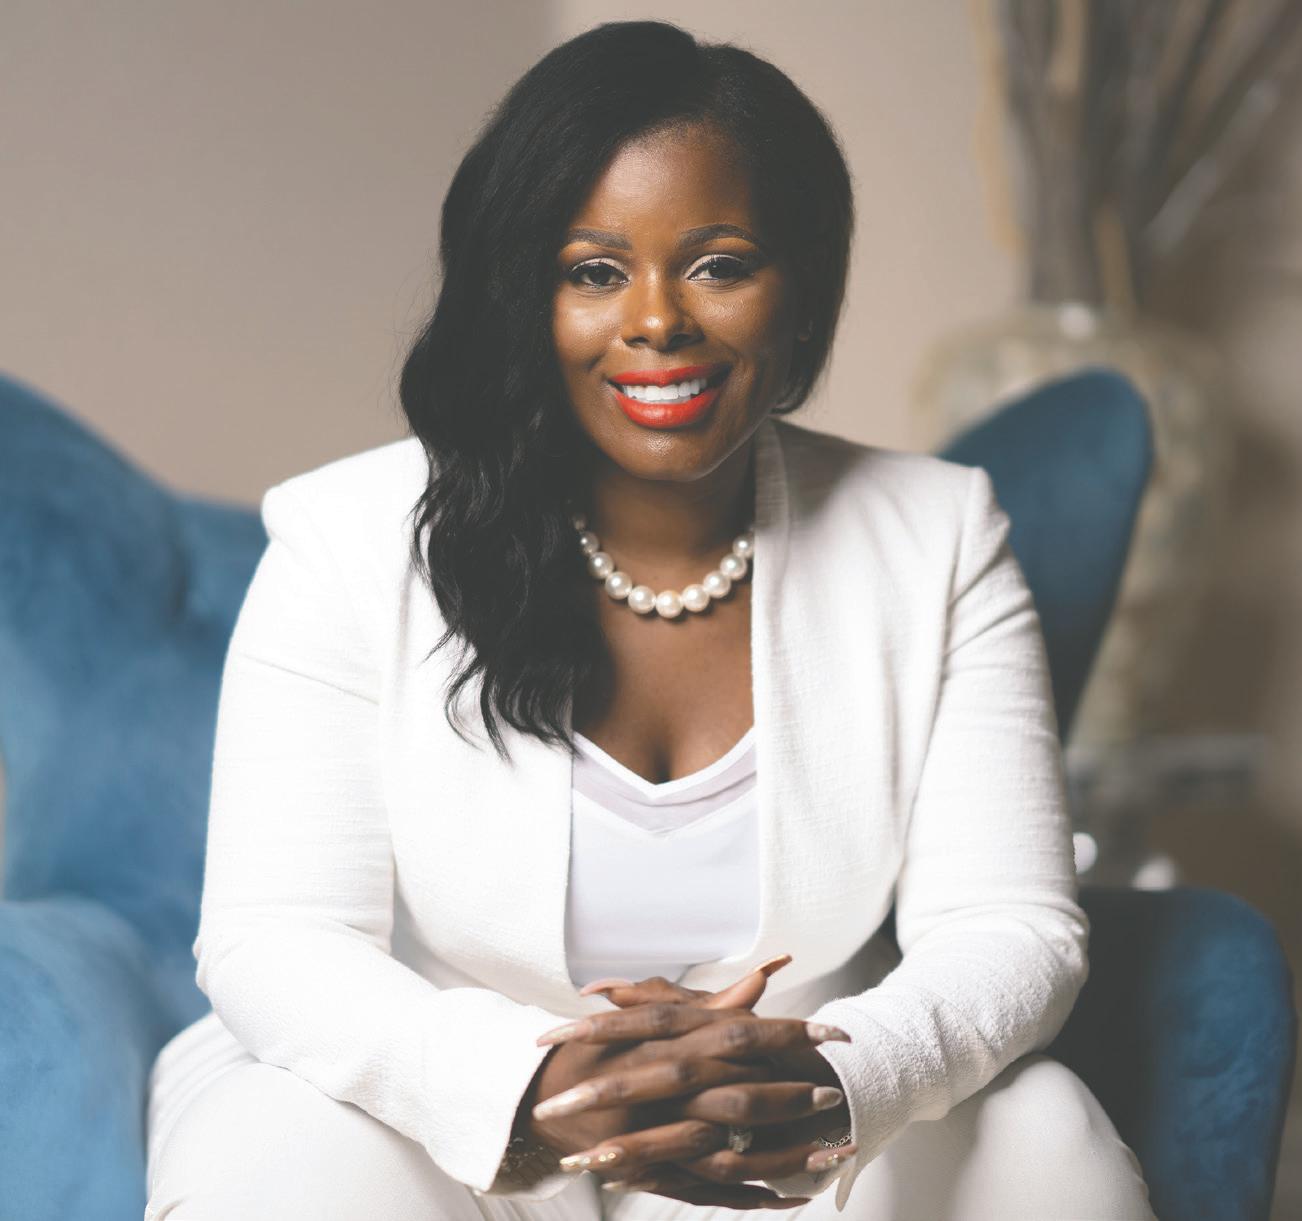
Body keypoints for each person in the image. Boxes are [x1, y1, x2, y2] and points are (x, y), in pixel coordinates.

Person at [144, 18, 1158, 1221]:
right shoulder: (347, 539)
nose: (658, 319)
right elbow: (277, 940)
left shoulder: (938, 536)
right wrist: (533, 1090)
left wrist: (837, 1077)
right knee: (280, 1143)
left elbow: (1010, 925)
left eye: (720, 265)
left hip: (796, 1116)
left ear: (801, 290)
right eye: (593, 272)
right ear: (524, 297)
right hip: (442, 1117)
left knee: (1042, 1133)